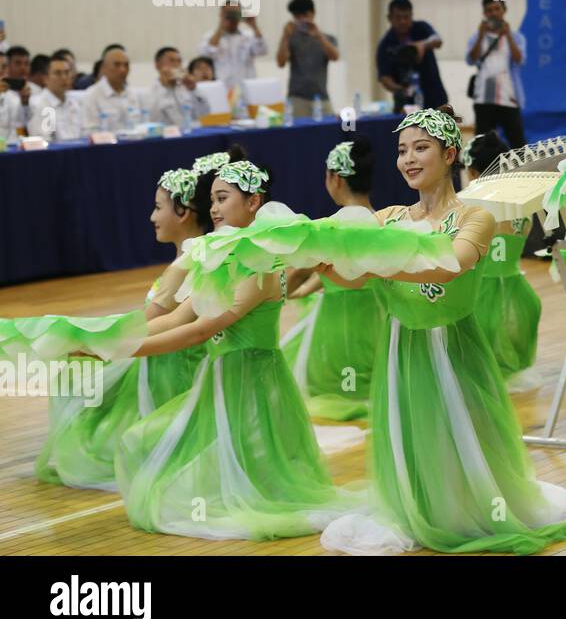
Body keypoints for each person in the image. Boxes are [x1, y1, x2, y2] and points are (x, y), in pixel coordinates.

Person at [315, 106, 566, 554]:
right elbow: (352, 277)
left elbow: (448, 265)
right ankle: (419, 508)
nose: (409, 159)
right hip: (402, 344)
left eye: (421, 148)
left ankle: (465, 508)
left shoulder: (476, 215)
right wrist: (322, 258)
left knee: (462, 432)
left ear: (450, 153)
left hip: (454, 345)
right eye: (402, 150)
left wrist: (373, 261)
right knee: (410, 430)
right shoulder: (390, 217)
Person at [116, 157, 358, 539]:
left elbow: (199, 331)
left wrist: (126, 350)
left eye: (223, 198)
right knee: (144, 445)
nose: (213, 208)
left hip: (251, 382)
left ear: (253, 203)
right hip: (220, 380)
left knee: (246, 477)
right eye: (212, 199)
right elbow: (177, 318)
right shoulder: (223, 259)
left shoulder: (260, 267)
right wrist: (115, 338)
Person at [35, 165, 214, 489]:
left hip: (173, 370)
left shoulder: (185, 265)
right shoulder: (196, 258)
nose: (151, 216)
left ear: (184, 212)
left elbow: (147, 324)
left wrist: (93, 344)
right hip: (171, 360)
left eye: (159, 207)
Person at [280, 138, 386, 422]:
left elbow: (301, 272)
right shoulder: (384, 221)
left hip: (337, 329)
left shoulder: (328, 228)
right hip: (380, 323)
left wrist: (281, 294)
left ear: (335, 178)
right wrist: (312, 286)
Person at [460, 131, 542, 388]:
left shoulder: (468, 209)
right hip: (519, 298)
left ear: (473, 173)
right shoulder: (522, 208)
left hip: (479, 298)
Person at [465, 0, 527, 149]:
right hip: (484, 98)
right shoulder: (476, 37)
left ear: (504, 10)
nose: (493, 13)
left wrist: (508, 36)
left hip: (509, 97)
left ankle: (522, 173)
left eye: (497, 9)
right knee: (482, 145)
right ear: (484, 13)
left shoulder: (517, 37)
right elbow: (470, 59)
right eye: (489, 10)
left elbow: (520, 59)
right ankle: (485, 173)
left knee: (518, 143)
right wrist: (480, 35)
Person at [376, 0, 447, 112]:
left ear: (411, 16)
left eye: (406, 17)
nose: (402, 21)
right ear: (390, 18)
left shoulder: (421, 28)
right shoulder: (385, 45)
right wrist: (399, 89)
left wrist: (422, 45)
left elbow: (438, 40)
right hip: (407, 105)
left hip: (435, 98)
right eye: (398, 18)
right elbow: (384, 77)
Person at [276, 0, 340, 119]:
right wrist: (285, 36)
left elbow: (335, 57)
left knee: (329, 132)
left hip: (322, 96)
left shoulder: (327, 38)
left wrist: (319, 36)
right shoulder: (291, 37)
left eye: (305, 16)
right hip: (297, 98)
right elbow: (281, 62)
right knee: (296, 136)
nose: (301, 20)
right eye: (297, 17)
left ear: (313, 14)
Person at [199, 0, 267, 89]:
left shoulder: (248, 36)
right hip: (222, 87)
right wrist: (221, 26)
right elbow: (207, 53)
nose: (232, 16)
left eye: (236, 12)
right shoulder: (210, 36)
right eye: (229, 13)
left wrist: (254, 25)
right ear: (221, 14)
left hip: (246, 86)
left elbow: (262, 50)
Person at [80, 46, 144, 133]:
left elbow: (141, 126)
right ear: (104, 68)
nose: (123, 70)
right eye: (117, 65)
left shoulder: (133, 94)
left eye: (126, 65)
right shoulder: (92, 95)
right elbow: (90, 131)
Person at [26, 54, 83, 141]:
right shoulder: (41, 104)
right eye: (58, 73)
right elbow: (46, 141)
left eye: (67, 72)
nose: (64, 77)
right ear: (46, 78)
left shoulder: (75, 102)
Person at [145, 47, 198, 127]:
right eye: (171, 61)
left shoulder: (187, 87)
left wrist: (193, 89)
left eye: (179, 61)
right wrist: (166, 86)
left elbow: (204, 115)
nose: (176, 65)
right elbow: (152, 120)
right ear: (157, 65)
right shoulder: (150, 93)